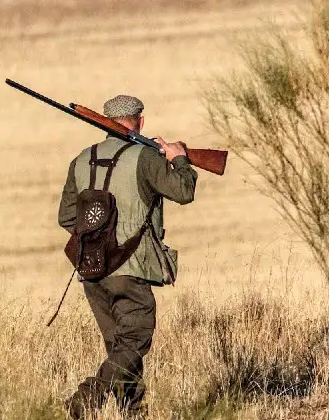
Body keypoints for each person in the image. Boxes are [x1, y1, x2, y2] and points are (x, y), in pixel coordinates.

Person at [57, 94, 197, 418]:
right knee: (135, 340)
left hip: (92, 271)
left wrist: (97, 234)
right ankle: (87, 397)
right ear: (141, 122)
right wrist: (178, 159)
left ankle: (132, 412)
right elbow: (184, 191)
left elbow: (66, 218)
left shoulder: (81, 159)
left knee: (120, 349)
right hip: (131, 267)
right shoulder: (144, 157)